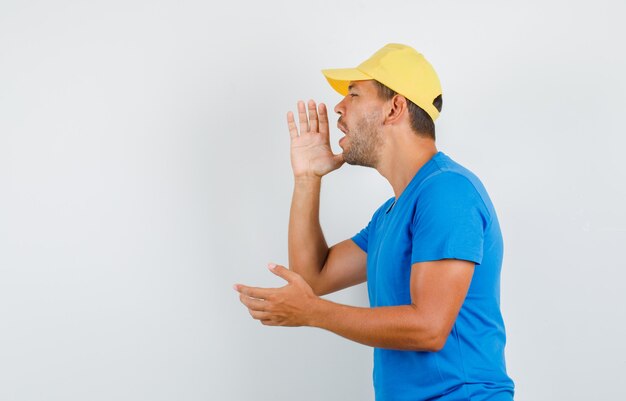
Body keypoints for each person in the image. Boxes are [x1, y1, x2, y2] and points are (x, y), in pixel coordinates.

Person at [234, 43, 515, 401]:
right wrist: (308, 179)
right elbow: (312, 277)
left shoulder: (448, 191)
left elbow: (429, 327)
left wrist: (313, 313)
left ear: (394, 107)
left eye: (353, 94)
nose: (338, 107)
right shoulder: (390, 214)